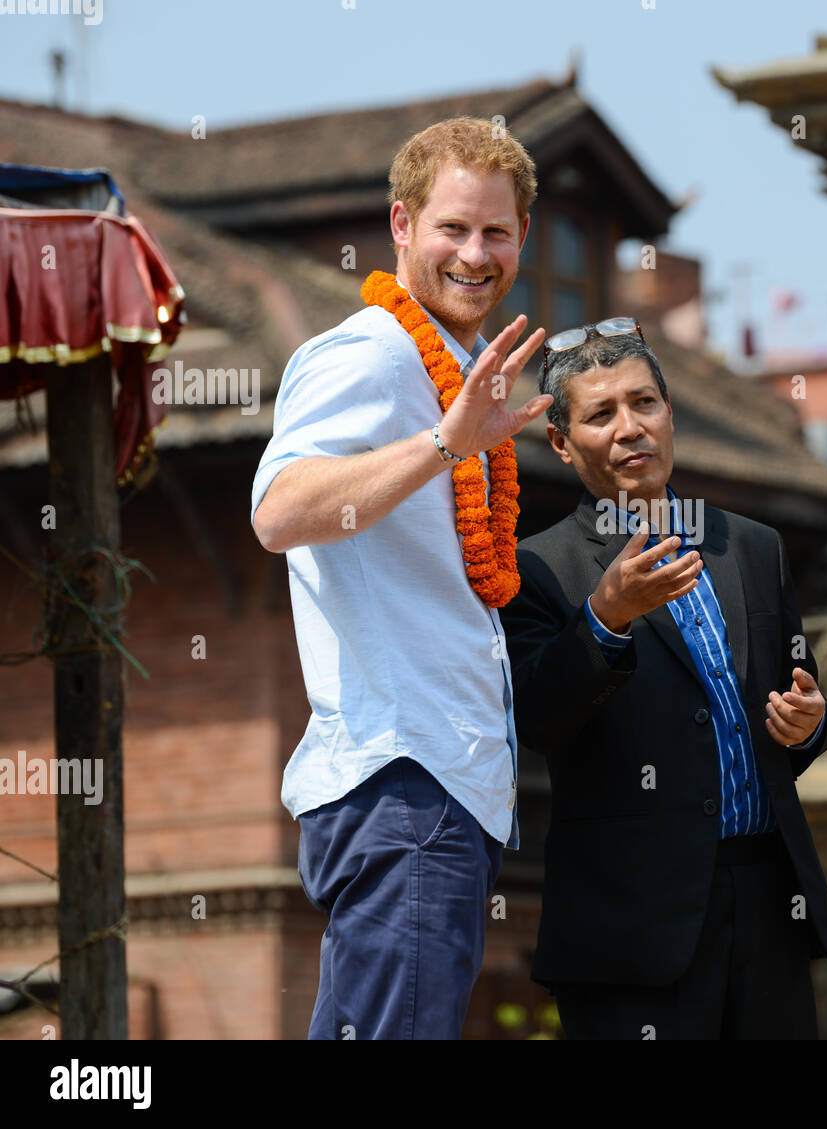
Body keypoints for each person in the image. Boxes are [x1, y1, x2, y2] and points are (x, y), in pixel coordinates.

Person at [249, 117, 551, 1039]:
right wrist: (442, 445)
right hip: (403, 780)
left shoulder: (467, 372)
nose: (474, 253)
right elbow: (278, 510)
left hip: (439, 791)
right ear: (401, 228)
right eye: (452, 228)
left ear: (522, 241)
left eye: (496, 233)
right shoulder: (375, 351)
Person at [499, 321, 827, 1039]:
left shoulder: (752, 547)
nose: (630, 428)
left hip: (769, 902)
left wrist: (813, 722)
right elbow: (535, 720)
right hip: (632, 924)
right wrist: (604, 619)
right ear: (562, 442)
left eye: (644, 402)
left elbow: (801, 703)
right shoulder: (537, 569)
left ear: (670, 411)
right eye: (600, 414)